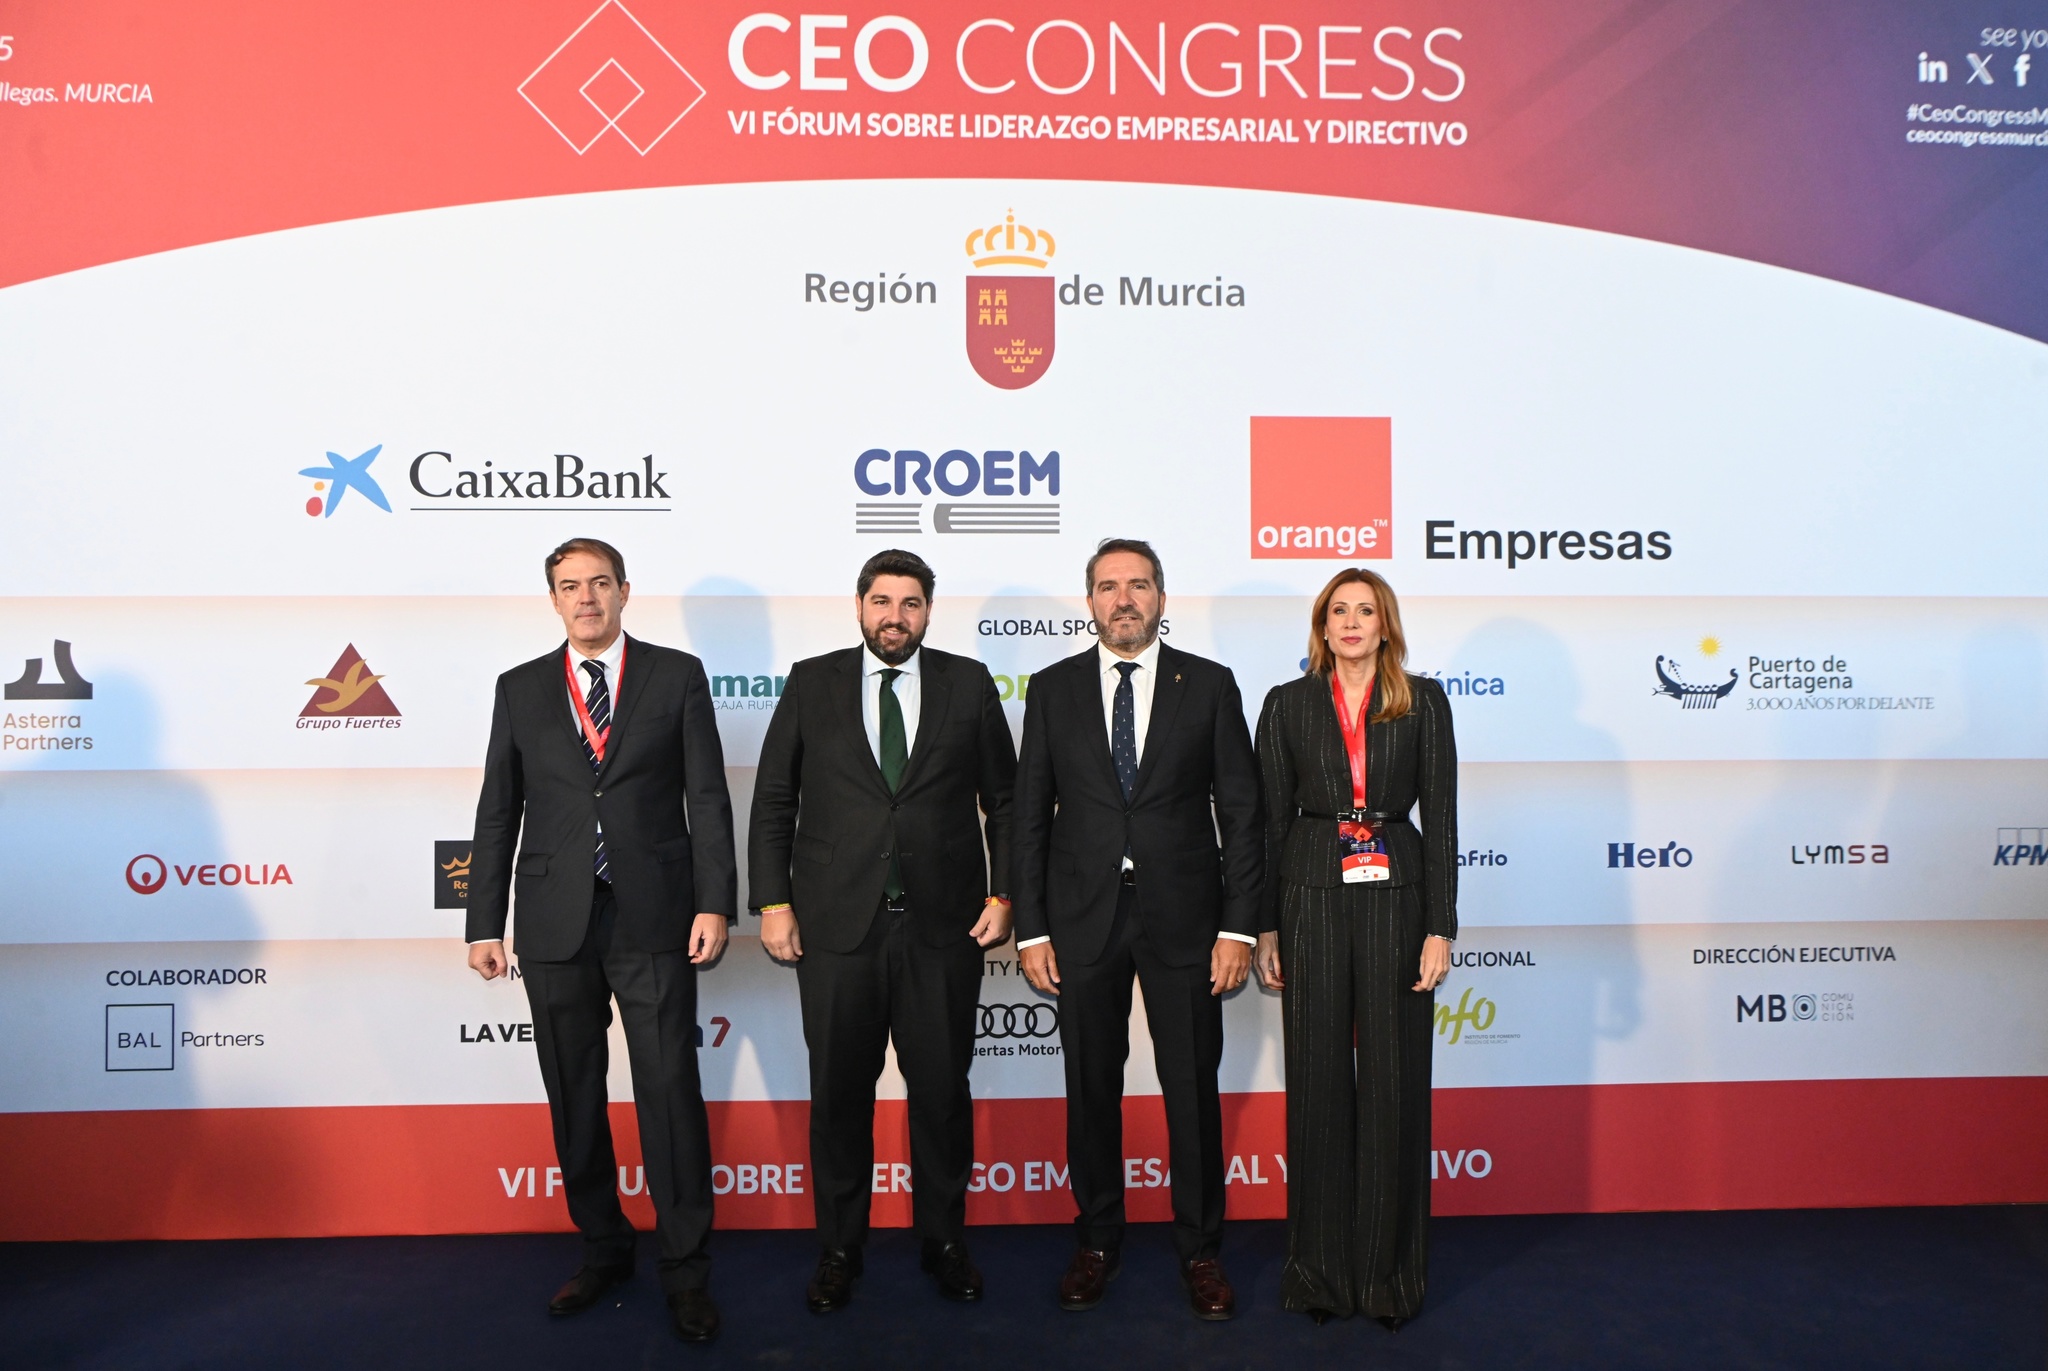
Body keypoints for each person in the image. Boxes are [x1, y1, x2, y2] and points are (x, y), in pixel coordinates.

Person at [466, 537, 735, 1345]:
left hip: (654, 914)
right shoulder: (518, 687)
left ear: (624, 590)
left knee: (669, 1096)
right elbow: (498, 809)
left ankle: (685, 1271)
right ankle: (604, 1247)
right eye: (569, 585)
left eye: (599, 583)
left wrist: (715, 903)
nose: (585, 597)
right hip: (554, 920)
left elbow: (707, 796)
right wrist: (483, 921)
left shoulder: (676, 675)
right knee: (574, 1094)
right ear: (553, 598)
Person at [749, 549, 1018, 1313]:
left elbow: (1005, 800)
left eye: (910, 603)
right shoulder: (812, 681)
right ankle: (840, 1247)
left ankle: (944, 1240)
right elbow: (774, 799)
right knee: (839, 1095)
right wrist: (772, 902)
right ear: (859, 605)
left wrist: (1005, 893)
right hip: (836, 927)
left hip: (944, 926)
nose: (894, 616)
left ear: (928, 611)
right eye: (881, 601)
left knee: (941, 1092)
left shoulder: (968, 682)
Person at [1013, 538, 1264, 1321]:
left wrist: (1239, 928)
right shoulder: (1052, 688)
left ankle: (1201, 1249)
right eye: (1108, 586)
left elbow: (1243, 813)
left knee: (1191, 1088)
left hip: (1186, 920)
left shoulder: (1209, 684)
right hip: (1080, 919)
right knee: (1091, 1088)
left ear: (1161, 596)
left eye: (1139, 584)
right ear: (1089, 600)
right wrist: (1031, 929)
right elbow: (1028, 815)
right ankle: (1096, 1241)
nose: (1124, 599)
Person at [1252, 568, 1456, 1329]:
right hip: (1308, 891)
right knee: (1317, 1083)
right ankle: (1318, 1275)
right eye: (1337, 610)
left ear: (1384, 624)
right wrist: (1265, 926)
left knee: (1395, 1081)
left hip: (1398, 896)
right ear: (1321, 625)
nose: (1350, 622)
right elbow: (1267, 822)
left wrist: (1441, 926)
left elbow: (1442, 817)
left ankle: (1388, 1278)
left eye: (1365, 610)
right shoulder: (1287, 703)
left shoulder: (1423, 701)